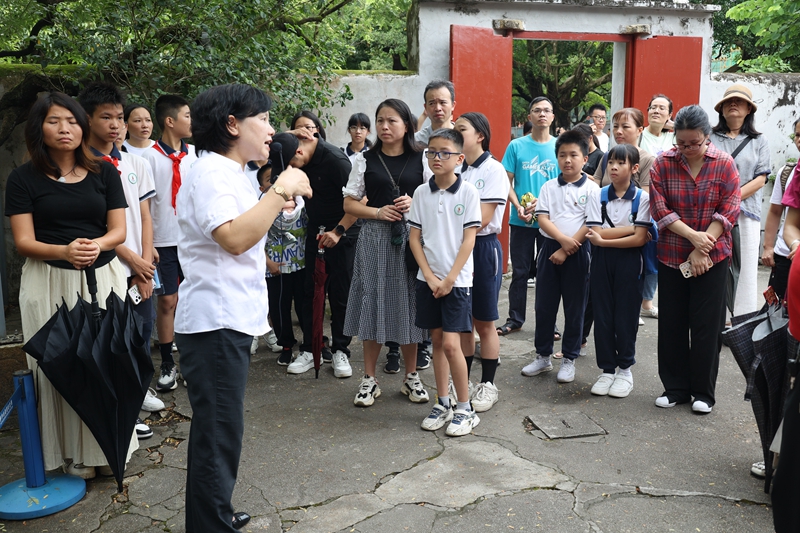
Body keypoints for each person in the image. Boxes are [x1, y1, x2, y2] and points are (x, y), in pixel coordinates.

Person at [174, 83, 311, 533]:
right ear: (232, 124)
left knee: (221, 430)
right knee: (218, 434)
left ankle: (214, 513)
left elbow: (249, 232)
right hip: (214, 322)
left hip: (225, 319)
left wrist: (279, 200)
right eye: (265, 119)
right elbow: (232, 238)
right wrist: (281, 190)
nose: (273, 129)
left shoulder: (234, 172)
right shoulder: (212, 172)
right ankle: (211, 524)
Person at [6, 91, 133, 479]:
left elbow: (119, 230)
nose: (65, 129)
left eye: (72, 121)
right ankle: (71, 456)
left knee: (107, 363)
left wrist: (94, 246)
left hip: (103, 279)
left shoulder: (103, 171)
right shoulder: (22, 178)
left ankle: (107, 449)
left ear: (83, 127)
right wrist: (64, 251)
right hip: (48, 280)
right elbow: (23, 241)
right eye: (54, 121)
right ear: (38, 129)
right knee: (59, 367)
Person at [78, 81, 163, 427]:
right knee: (115, 337)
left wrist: (145, 262)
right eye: (106, 117)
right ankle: (124, 407)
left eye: (119, 118)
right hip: (110, 263)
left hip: (140, 263)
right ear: (88, 120)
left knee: (142, 331)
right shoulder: (82, 166)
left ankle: (139, 391)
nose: (115, 125)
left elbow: (144, 216)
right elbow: (98, 224)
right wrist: (132, 261)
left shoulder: (134, 163)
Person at [649, 105, 740, 414]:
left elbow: (729, 209)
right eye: (682, 143)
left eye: (695, 143)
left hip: (713, 256)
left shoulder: (725, 164)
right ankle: (675, 388)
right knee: (672, 322)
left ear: (707, 137)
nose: (687, 149)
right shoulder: (662, 163)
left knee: (707, 326)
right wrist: (693, 238)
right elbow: (660, 209)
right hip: (672, 254)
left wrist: (702, 247)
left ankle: (703, 392)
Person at [343, 98, 430, 407]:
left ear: (406, 124)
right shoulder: (364, 159)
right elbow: (349, 204)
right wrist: (377, 211)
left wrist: (415, 204)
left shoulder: (423, 158)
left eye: (392, 120)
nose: (384, 126)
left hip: (411, 239)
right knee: (372, 302)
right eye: (380, 120)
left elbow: (436, 197)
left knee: (409, 304)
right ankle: (369, 379)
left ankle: (411, 377)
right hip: (373, 239)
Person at [409, 129, 481, 435]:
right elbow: (414, 238)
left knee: (452, 345)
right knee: (436, 342)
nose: (437, 158)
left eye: (444, 153)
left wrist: (449, 279)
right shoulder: (420, 193)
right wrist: (428, 274)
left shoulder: (468, 193)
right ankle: (443, 402)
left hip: (457, 281)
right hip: (428, 279)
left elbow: (469, 240)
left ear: (459, 159)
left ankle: (465, 408)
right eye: (432, 152)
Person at [283, 117, 357, 379]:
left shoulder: (336, 161)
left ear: (301, 149)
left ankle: (340, 350)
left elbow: (360, 200)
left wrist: (338, 232)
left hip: (342, 232)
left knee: (339, 294)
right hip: (314, 232)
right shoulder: (297, 151)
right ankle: (310, 348)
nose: (293, 171)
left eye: (294, 164)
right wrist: (293, 132)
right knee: (309, 292)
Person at [521, 130, 597, 383]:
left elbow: (591, 223)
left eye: (574, 155)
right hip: (549, 250)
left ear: (585, 158)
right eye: (562, 155)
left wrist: (567, 248)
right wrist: (561, 242)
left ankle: (568, 358)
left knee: (575, 308)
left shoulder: (593, 189)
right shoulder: (548, 187)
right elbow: (542, 217)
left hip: (578, 252)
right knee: (544, 305)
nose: (568, 160)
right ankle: (543, 357)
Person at [452, 112, 508, 412]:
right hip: (456, 248)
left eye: (461, 129)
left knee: (484, 322)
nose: (455, 133)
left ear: (479, 136)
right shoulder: (457, 168)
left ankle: (488, 384)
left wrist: (449, 222)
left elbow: (484, 218)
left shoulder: (494, 169)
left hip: (483, 248)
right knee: (462, 324)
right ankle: (466, 381)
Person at [585, 144, 650, 398]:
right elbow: (595, 233)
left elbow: (640, 239)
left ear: (634, 168)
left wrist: (605, 240)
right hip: (601, 260)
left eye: (621, 163)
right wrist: (629, 230)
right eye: (611, 162)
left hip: (630, 261)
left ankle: (625, 369)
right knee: (602, 314)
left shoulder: (642, 198)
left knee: (626, 315)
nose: (613, 167)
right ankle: (607, 369)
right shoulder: (597, 195)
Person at [141, 94, 196, 391]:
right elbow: (145, 208)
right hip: (162, 241)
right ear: (170, 121)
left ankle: (190, 361)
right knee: (167, 301)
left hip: (192, 241)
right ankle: (167, 362)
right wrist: (148, 245)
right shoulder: (147, 158)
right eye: (187, 115)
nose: (192, 121)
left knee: (192, 300)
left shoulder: (196, 156)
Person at [497, 96, 560, 336]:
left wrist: (543, 203)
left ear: (553, 116)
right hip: (520, 219)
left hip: (550, 222)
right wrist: (517, 206)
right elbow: (506, 182)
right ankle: (515, 319)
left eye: (547, 110)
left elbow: (564, 185)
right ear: (530, 116)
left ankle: (549, 323)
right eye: (537, 110)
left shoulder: (559, 147)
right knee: (520, 272)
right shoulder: (516, 146)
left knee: (548, 275)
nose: (542, 114)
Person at [711, 83, 771, 317]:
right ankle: (717, 317)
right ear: (722, 109)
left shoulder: (759, 141)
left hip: (747, 213)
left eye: (739, 101)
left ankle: (742, 319)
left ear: (749, 109)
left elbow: (761, 178)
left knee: (745, 267)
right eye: (728, 102)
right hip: (714, 213)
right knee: (716, 263)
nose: (733, 104)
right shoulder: (710, 138)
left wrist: (732, 198)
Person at [261, 135, 308, 366]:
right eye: (270, 180)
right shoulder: (262, 204)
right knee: (279, 309)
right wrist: (267, 261)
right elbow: (256, 237)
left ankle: (311, 345)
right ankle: (286, 345)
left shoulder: (302, 200)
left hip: (299, 263)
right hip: (275, 267)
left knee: (302, 305)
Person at [762, 118, 800, 301]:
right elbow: (776, 211)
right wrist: (768, 247)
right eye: (798, 135)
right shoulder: (789, 173)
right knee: (776, 311)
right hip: (786, 254)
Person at [593, 108, 655, 192]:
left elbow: (645, 198)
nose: (618, 131)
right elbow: (594, 189)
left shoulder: (647, 160)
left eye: (625, 127)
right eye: (615, 126)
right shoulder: (607, 156)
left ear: (639, 130)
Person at [415, 80, 456, 144]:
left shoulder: (463, 137)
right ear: (425, 107)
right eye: (432, 103)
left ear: (453, 105)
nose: (437, 108)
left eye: (443, 102)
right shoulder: (417, 141)